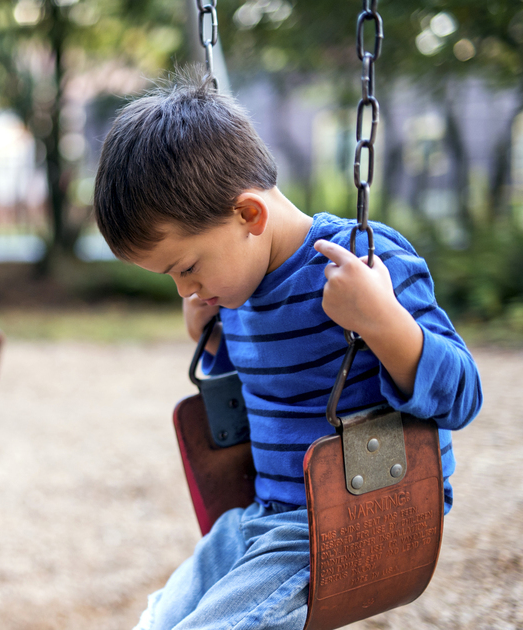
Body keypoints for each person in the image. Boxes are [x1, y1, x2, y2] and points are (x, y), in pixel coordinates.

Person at [92, 71, 482, 630]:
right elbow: (269, 384)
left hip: (356, 516)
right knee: (157, 621)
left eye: (187, 268)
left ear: (249, 215)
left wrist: (384, 322)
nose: (184, 290)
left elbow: (464, 396)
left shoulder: (364, 266)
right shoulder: (236, 293)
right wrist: (210, 337)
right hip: (263, 517)